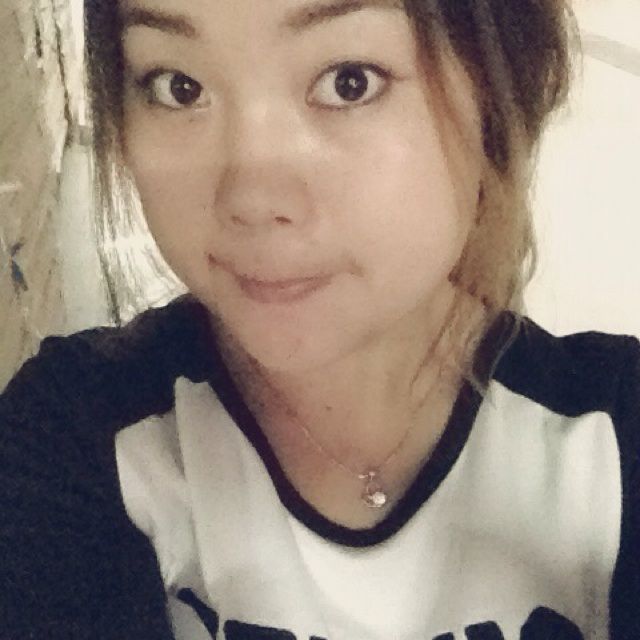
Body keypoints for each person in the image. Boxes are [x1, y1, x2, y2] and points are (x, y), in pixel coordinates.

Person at [1, 0, 639, 638]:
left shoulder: (610, 439)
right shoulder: (76, 437)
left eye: (349, 82)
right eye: (179, 87)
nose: (251, 198)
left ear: (498, 97)